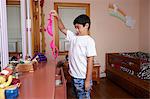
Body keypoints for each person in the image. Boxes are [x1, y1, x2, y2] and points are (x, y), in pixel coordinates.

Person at [51, 10, 97, 99]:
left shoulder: (89, 41)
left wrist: (87, 80)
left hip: (83, 78)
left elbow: (90, 61)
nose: (76, 29)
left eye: (78, 27)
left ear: (86, 26)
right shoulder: (73, 37)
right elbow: (62, 28)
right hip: (73, 76)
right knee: (77, 96)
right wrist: (58, 18)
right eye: (75, 27)